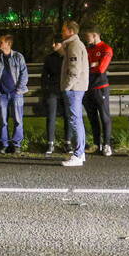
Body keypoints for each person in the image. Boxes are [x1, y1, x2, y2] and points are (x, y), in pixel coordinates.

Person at [0, 35, 29, 154]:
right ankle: (4, 144)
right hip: (2, 94)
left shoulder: (18, 57)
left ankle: (16, 144)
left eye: (1, 42)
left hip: (16, 93)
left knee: (18, 120)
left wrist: (18, 90)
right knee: (3, 120)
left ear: (8, 44)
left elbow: (24, 74)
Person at [59, 20, 90, 167]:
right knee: (77, 120)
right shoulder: (73, 45)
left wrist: (67, 86)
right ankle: (80, 152)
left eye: (64, 30)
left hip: (74, 89)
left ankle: (78, 154)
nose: (62, 32)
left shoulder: (74, 46)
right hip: (76, 88)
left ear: (71, 31)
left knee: (75, 120)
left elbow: (74, 69)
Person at [83, 29, 114, 157]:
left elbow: (101, 68)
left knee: (104, 116)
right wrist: (92, 65)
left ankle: (107, 145)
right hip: (87, 88)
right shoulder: (87, 49)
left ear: (95, 35)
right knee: (92, 118)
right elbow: (83, 66)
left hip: (100, 87)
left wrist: (90, 66)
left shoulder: (106, 48)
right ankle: (97, 144)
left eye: (87, 36)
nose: (86, 39)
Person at [41, 36, 70, 156]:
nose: (53, 45)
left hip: (67, 89)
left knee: (68, 116)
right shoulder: (49, 58)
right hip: (53, 90)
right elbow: (44, 76)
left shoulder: (69, 57)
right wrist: (46, 89)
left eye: (55, 43)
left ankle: (67, 143)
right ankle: (50, 143)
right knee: (51, 116)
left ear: (62, 44)